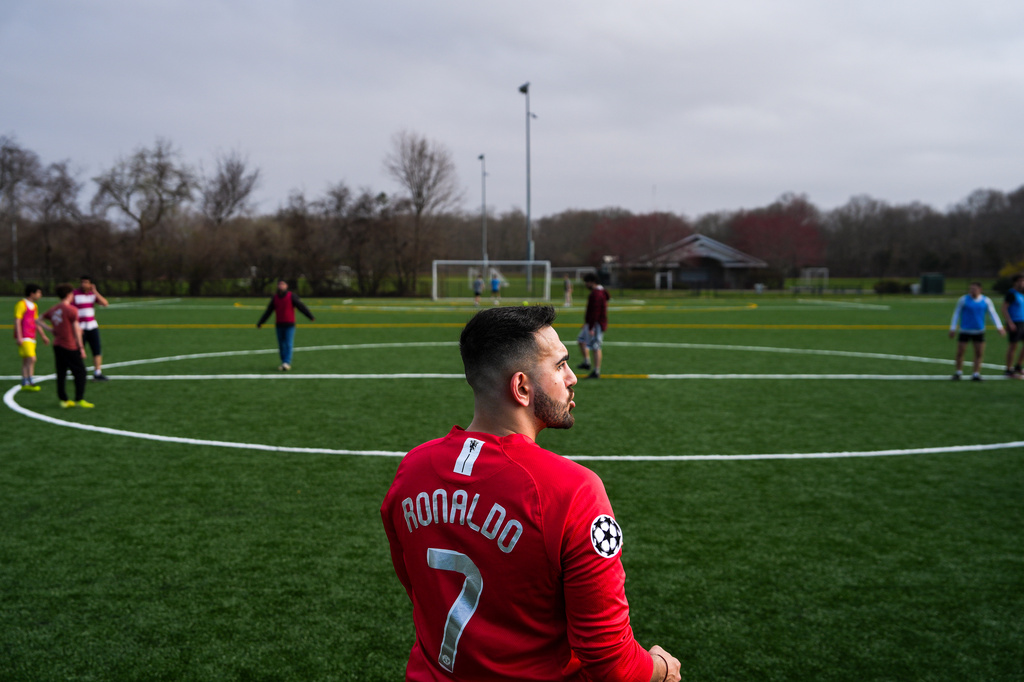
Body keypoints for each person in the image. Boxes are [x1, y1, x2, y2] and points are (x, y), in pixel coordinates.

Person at [381, 306, 681, 682]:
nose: (572, 377)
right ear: (522, 387)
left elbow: (416, 587)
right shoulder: (573, 491)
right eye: (560, 366)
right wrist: (662, 670)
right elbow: (611, 663)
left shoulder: (412, 468)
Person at [42, 283, 93, 408]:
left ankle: (63, 400)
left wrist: (50, 330)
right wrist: (81, 348)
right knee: (81, 372)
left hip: (57, 345)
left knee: (61, 373)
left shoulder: (54, 309)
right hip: (69, 345)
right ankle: (79, 399)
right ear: (68, 295)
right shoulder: (71, 310)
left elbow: (38, 319)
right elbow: (76, 329)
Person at [949, 281, 1004, 381]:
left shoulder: (986, 300)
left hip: (979, 330)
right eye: (971, 289)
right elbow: (956, 313)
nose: (972, 291)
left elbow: (993, 314)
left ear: (980, 290)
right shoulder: (963, 299)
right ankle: (958, 372)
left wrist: (999, 327)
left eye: (974, 289)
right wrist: (952, 328)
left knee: (979, 353)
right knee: (960, 352)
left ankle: (976, 373)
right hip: (965, 330)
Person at [256, 279, 316, 371]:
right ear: (277, 286)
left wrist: (310, 316)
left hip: (290, 324)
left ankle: (286, 362)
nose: (281, 286)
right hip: (279, 324)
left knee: (288, 343)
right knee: (281, 345)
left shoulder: (291, 296)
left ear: (286, 286)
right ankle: (283, 361)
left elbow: (301, 306)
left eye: (283, 284)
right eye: (279, 284)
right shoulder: (275, 298)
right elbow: (268, 311)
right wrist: (261, 322)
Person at [71, 275, 110, 381]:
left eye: (86, 282)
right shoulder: (75, 294)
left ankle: (97, 372)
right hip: (80, 328)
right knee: (78, 351)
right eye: (82, 282)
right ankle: (78, 372)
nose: (84, 284)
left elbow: (105, 303)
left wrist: (95, 291)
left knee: (96, 350)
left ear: (90, 284)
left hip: (92, 326)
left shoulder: (93, 294)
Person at [14, 283, 51, 391]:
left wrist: (43, 335)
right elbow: (17, 320)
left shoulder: (34, 306)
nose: (40, 295)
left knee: (27, 360)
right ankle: (29, 380)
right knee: (32, 358)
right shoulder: (21, 304)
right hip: (25, 336)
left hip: (32, 335)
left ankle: (27, 381)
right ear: (32, 293)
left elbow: (36, 322)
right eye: (39, 292)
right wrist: (19, 336)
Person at [577, 272, 610, 379]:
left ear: (592, 282)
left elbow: (595, 312)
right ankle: (587, 362)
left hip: (596, 324)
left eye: (587, 282)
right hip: (592, 323)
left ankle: (596, 371)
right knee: (581, 340)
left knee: (596, 346)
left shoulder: (597, 294)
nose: (586, 285)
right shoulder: (600, 292)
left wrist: (591, 327)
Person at [1001, 273, 1024, 377]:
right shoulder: (1011, 294)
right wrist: (1009, 322)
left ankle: (1018, 366)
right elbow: (1004, 308)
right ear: (1015, 282)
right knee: (1013, 346)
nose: (1022, 283)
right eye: (1020, 281)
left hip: (1023, 322)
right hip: (1015, 323)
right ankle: (1008, 369)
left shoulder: (1021, 294)